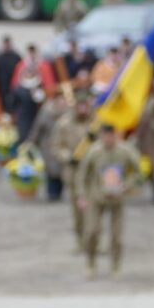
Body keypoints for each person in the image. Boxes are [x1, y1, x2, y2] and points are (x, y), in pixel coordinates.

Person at [75, 123, 140, 278]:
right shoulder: (93, 152)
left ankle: (115, 266)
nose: (108, 139)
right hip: (97, 197)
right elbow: (82, 175)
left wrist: (127, 185)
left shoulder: (125, 151)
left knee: (117, 236)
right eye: (104, 136)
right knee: (92, 232)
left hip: (117, 198)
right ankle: (91, 263)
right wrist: (82, 196)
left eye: (110, 136)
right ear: (100, 136)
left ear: (115, 136)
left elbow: (138, 172)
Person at [51, 93, 95, 251]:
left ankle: (93, 240)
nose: (83, 109)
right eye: (80, 106)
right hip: (73, 172)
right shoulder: (64, 124)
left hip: (92, 172)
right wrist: (68, 156)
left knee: (94, 208)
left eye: (86, 106)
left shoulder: (95, 124)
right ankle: (79, 239)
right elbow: (56, 146)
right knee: (78, 209)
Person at [26, 93, 68, 201]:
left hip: (62, 145)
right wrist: (31, 142)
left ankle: (59, 191)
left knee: (61, 170)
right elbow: (37, 128)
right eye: (60, 100)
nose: (62, 102)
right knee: (51, 171)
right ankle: (52, 193)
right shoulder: (46, 112)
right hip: (47, 145)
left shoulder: (68, 113)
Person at [0, 37, 22, 110]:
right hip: (1, 85)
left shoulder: (16, 57)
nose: (6, 46)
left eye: (8, 44)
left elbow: (20, 70)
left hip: (13, 84)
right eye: (5, 44)